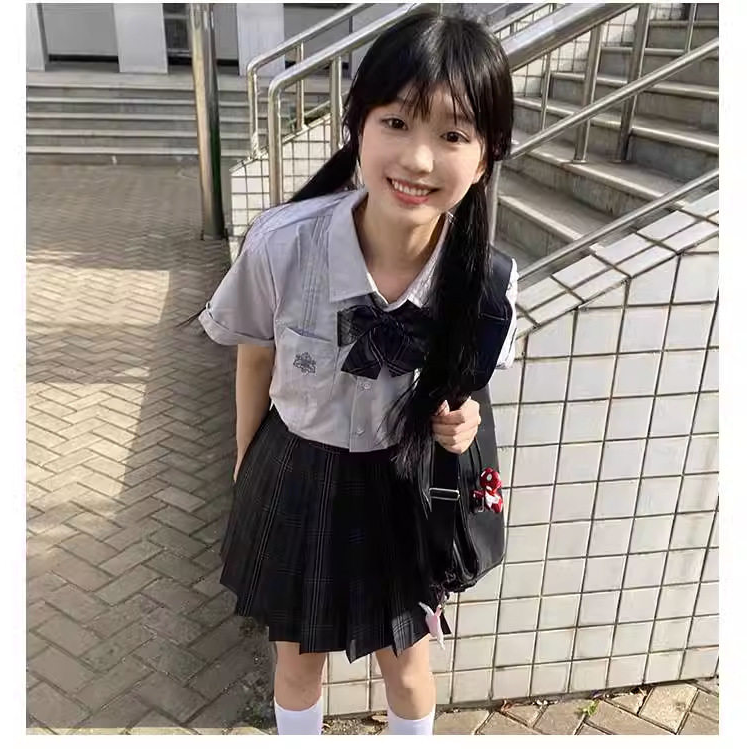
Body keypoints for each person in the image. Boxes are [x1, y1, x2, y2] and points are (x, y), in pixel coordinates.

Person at [192, 9, 518, 736]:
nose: (419, 159)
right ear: (357, 125)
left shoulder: (488, 280)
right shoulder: (282, 243)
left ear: (486, 155)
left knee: (408, 667)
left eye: (453, 135)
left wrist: (464, 421)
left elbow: (471, 386)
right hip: (296, 468)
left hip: (403, 486)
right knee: (296, 662)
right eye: (396, 122)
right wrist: (246, 461)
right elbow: (255, 351)